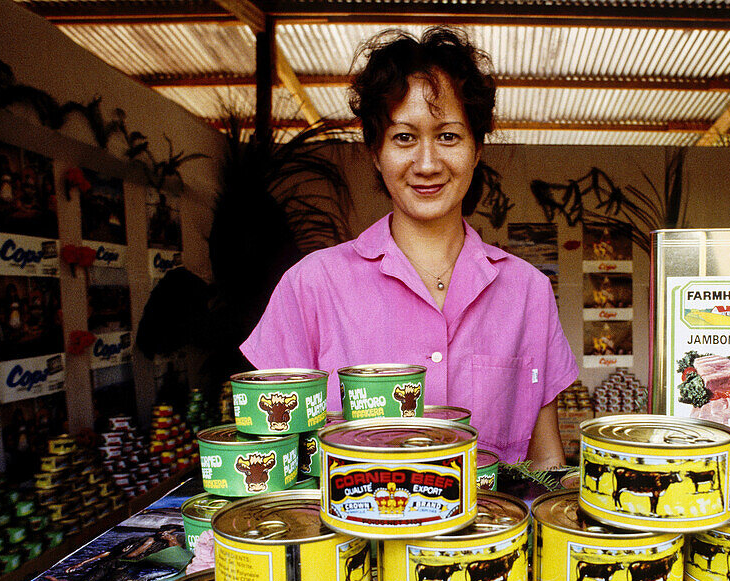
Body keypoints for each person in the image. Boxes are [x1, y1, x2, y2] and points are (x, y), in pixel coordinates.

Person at [241, 27, 578, 469]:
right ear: (376, 152)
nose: (426, 163)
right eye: (404, 137)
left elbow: (544, 463)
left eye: (448, 136)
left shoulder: (528, 291)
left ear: (476, 150)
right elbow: (268, 460)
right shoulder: (311, 285)